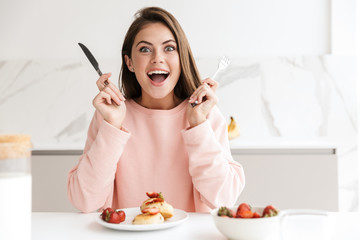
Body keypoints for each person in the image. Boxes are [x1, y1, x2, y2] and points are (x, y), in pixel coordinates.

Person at [68, 6, 245, 213]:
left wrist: (198, 125)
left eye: (169, 48)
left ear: (181, 58)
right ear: (130, 63)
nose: (157, 58)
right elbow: (84, 201)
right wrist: (112, 127)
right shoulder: (110, 117)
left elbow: (224, 199)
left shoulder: (205, 115)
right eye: (145, 49)